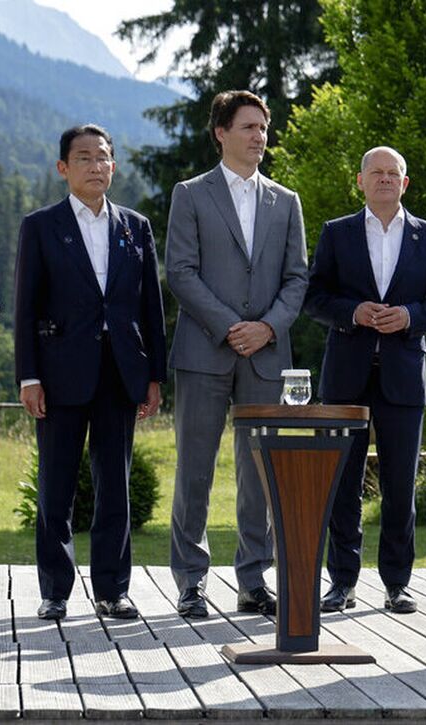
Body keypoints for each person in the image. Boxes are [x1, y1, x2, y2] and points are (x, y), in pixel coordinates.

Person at [14, 124, 167, 621]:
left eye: (103, 157)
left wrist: (155, 376)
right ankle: (55, 592)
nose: (95, 166)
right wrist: (29, 377)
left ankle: (112, 590)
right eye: (84, 157)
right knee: (55, 487)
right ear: (63, 167)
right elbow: (26, 306)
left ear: (113, 166)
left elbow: (150, 307)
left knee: (114, 487)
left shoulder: (135, 227)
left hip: (121, 372)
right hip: (59, 373)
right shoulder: (41, 225)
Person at [166, 90, 308, 619]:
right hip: (204, 352)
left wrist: (266, 328)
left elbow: (297, 278)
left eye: (263, 128)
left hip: (266, 355)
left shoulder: (286, 201)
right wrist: (231, 328)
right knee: (194, 471)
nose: (259, 136)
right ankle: (191, 581)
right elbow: (180, 271)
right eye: (248, 127)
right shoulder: (190, 194)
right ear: (221, 132)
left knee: (260, 473)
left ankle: (253, 580)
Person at [304, 146, 426, 615]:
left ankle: (397, 584)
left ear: (405, 183)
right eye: (377, 172)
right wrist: (352, 312)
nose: (386, 179)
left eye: (394, 173)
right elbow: (314, 297)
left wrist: (409, 316)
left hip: (404, 378)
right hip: (345, 377)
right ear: (361, 180)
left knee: (400, 487)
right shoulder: (337, 233)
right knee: (341, 485)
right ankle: (342, 583)